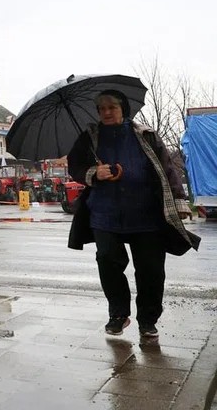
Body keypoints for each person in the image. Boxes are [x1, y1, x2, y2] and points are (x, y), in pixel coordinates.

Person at [67, 89, 200, 342]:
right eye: (101, 108)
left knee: (150, 269)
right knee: (107, 261)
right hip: (105, 213)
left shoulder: (145, 135)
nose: (106, 112)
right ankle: (118, 314)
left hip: (146, 213)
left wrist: (179, 201)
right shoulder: (89, 138)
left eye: (111, 107)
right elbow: (74, 166)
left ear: (123, 109)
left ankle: (147, 320)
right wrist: (94, 172)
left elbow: (167, 168)